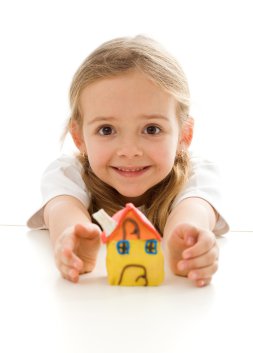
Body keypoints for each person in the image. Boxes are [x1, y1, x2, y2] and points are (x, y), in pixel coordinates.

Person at [27, 35, 229, 287]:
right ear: (79, 137)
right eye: (107, 130)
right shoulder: (69, 173)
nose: (129, 150)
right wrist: (73, 240)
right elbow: (62, 211)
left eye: (152, 129)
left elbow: (193, 214)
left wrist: (186, 245)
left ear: (183, 135)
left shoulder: (197, 175)